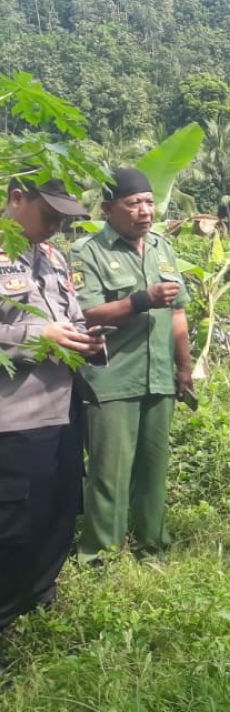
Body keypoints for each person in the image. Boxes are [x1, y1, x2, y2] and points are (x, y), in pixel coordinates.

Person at [72, 168, 192, 560]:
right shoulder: (87, 253)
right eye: (133, 203)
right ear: (108, 209)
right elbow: (86, 313)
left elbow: (177, 313)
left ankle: (151, 546)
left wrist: (184, 368)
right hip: (112, 378)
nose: (144, 210)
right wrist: (140, 300)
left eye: (148, 202)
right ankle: (101, 554)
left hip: (159, 377)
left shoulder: (162, 247)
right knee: (109, 473)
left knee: (153, 469)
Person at [1, 179, 99, 632]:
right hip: (16, 417)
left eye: (64, 216)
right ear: (17, 198)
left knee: (57, 513)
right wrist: (40, 337)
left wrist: (87, 342)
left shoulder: (54, 257)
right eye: (50, 213)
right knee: (13, 524)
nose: (58, 225)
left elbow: (73, 317)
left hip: (64, 409)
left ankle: (37, 606)